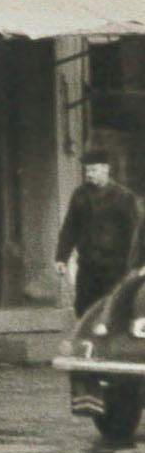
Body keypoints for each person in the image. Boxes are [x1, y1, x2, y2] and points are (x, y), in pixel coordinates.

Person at [56, 153, 141, 415]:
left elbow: (135, 232)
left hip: (116, 269)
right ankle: (91, 367)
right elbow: (70, 226)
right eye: (87, 170)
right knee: (87, 314)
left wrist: (133, 268)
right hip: (90, 267)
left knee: (115, 315)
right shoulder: (80, 195)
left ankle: (115, 359)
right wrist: (61, 256)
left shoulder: (124, 198)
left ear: (106, 169)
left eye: (94, 169)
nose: (89, 174)